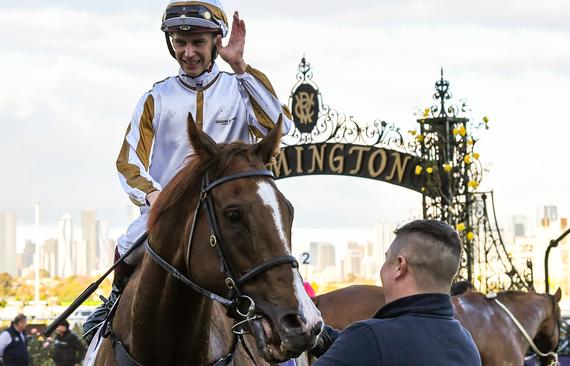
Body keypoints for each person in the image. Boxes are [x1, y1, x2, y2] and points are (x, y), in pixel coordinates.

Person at [82, 0, 293, 341]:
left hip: (229, 212)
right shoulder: (156, 98)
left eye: (198, 42)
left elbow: (279, 126)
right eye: (180, 43)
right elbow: (128, 162)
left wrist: (239, 65)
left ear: (216, 42)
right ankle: (113, 312)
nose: (188, 52)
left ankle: (287, 339)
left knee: (269, 248)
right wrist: (156, 195)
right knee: (126, 246)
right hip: (170, 211)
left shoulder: (240, 87)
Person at [311, 220, 481, 365]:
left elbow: (374, 347)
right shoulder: (466, 345)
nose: (382, 269)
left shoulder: (368, 338)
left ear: (400, 266)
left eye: (387, 260)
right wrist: (321, 335)